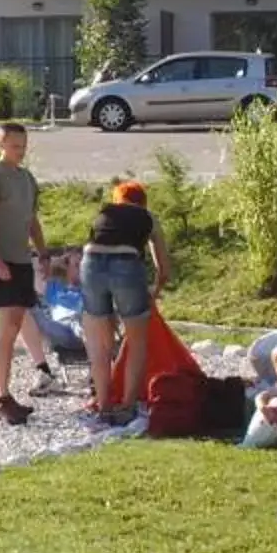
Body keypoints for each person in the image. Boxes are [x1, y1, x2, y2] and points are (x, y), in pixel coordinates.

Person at [77, 181, 171, 423]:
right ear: (142, 202)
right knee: (136, 340)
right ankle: (127, 406)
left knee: (99, 344)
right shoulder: (147, 217)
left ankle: (104, 405)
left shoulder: (104, 213)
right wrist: (155, 289)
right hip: (126, 264)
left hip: (90, 262)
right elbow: (164, 267)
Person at [0, 121, 45, 425]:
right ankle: (2, 395)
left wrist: (42, 251)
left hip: (20, 257)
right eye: (15, 146)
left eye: (23, 146)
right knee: (9, 325)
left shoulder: (26, 178)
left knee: (16, 322)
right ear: (1, 144)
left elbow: (31, 219)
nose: (20, 151)